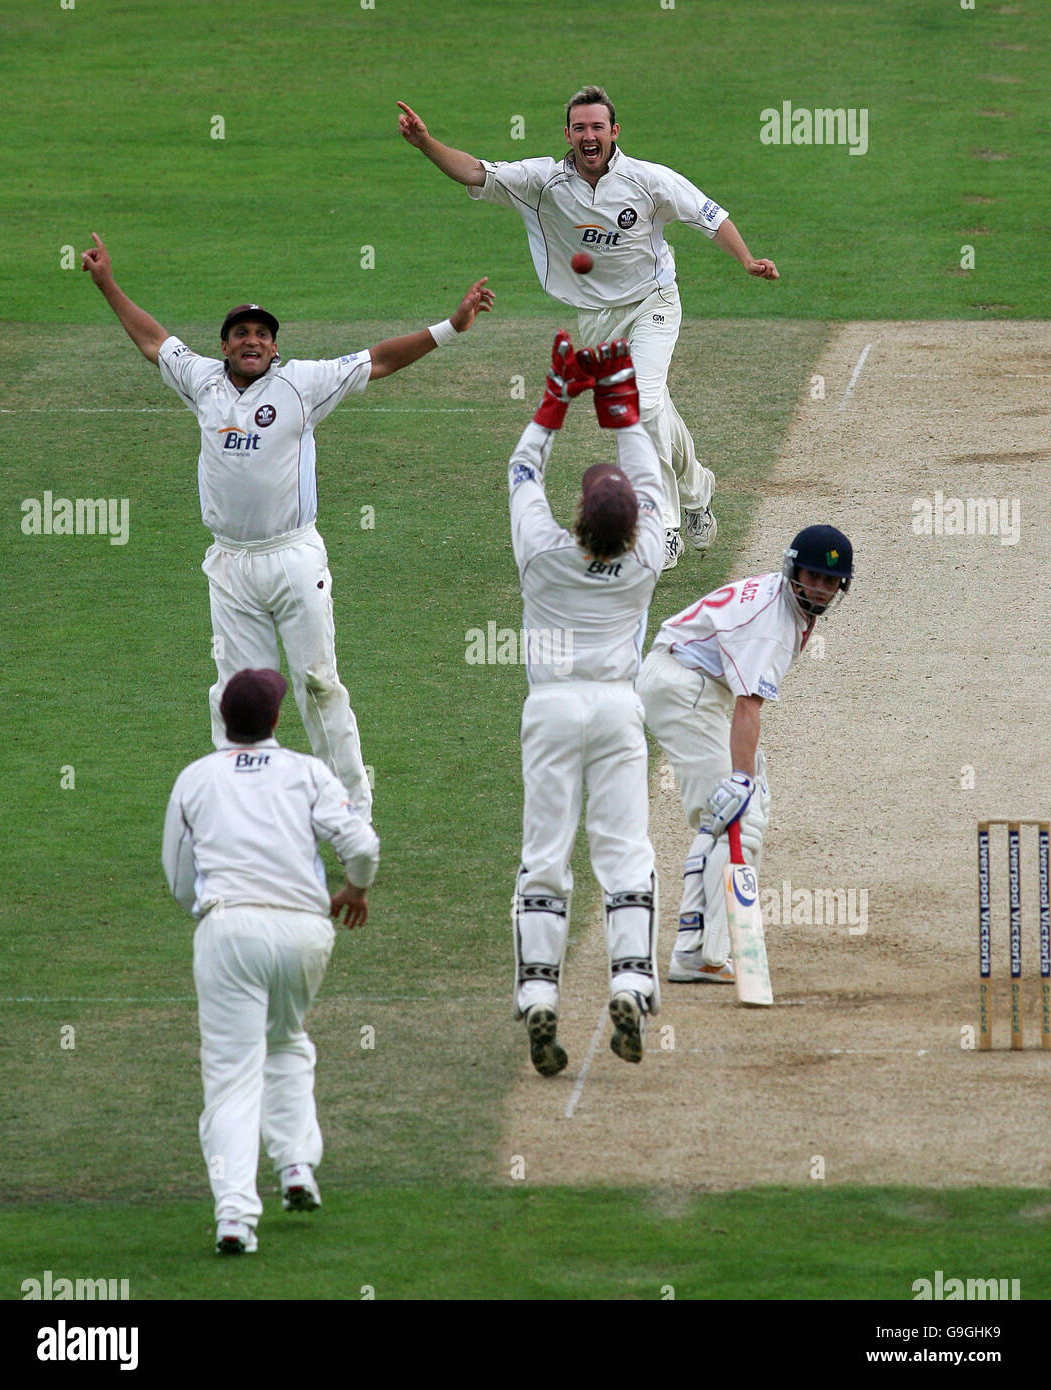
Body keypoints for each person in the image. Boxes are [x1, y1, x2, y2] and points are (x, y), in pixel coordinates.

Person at [82, 233, 494, 818]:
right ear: (223, 347)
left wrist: (451, 326)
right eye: (241, 334)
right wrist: (107, 285)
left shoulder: (301, 384)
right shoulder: (201, 381)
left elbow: (378, 359)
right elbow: (153, 340)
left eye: (262, 334)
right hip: (230, 564)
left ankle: (351, 814)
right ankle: (246, 817)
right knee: (238, 697)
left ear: (274, 348)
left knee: (319, 686)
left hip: (294, 557)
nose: (252, 341)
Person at [397, 84, 778, 570]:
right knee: (654, 408)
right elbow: (474, 171)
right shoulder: (542, 182)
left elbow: (708, 215)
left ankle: (661, 528)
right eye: (580, 128)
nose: (589, 135)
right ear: (568, 134)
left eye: (598, 126)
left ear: (614, 132)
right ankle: (698, 487)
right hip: (598, 320)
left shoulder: (647, 180)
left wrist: (746, 259)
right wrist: (427, 143)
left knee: (640, 403)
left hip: (653, 303)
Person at [162, 667, 380, 1255]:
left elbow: (180, 879)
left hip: (230, 929)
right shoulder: (307, 772)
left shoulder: (195, 779)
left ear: (226, 721)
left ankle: (234, 1215)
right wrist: (355, 890)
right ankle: (296, 1168)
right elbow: (361, 844)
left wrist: (211, 914)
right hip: (305, 933)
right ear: (277, 720)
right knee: (285, 1041)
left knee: (232, 1078)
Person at [508, 332, 664, 1074]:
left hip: (550, 709)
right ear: (632, 525)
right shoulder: (648, 558)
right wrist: (619, 392)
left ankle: (540, 995)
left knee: (545, 856)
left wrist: (556, 394)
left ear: (579, 519)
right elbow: (647, 468)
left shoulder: (543, 551)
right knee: (624, 851)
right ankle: (631, 977)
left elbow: (520, 470)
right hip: (616, 707)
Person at [635, 526, 854, 983]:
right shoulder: (771, 628)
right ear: (792, 571)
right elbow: (747, 706)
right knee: (734, 814)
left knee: (749, 807)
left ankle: (715, 937)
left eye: (830, 581)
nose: (818, 588)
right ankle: (698, 953)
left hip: (695, 684)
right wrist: (738, 779)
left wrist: (744, 781)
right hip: (684, 689)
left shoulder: (787, 605)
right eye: (811, 576)